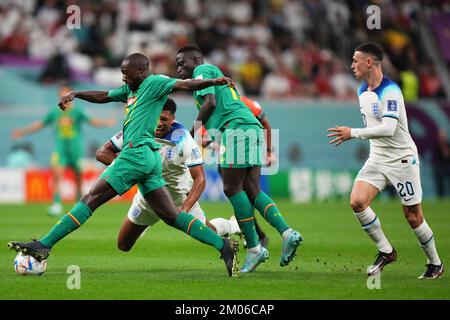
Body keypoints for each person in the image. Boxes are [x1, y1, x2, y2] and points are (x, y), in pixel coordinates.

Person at [8, 53, 239, 277]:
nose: (123, 77)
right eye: (121, 73)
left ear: (141, 70)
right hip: (148, 158)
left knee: (89, 200)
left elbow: (185, 84)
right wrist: (76, 94)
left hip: (136, 153)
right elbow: (105, 96)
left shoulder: (155, 83)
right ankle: (223, 246)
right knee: (171, 216)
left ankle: (44, 244)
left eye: (126, 73)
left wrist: (214, 80)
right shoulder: (131, 90)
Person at [175, 44, 302, 273]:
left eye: (181, 63)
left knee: (232, 188)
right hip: (248, 127)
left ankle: (254, 248)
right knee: (252, 191)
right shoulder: (212, 76)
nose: (178, 68)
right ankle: (287, 233)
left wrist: (191, 133)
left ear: (195, 59)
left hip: (235, 129)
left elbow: (210, 103)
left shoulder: (202, 72)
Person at [327, 43, 444, 279]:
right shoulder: (362, 90)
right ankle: (386, 251)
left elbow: (389, 128)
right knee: (357, 201)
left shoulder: (391, 91)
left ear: (368, 63)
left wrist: (353, 133)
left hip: (402, 160)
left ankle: (435, 264)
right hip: (378, 158)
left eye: (355, 60)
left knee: (413, 216)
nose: (351, 65)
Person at [95, 97, 241, 251]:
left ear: (173, 119)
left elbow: (200, 179)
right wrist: (129, 168)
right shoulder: (138, 128)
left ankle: (233, 225)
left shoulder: (183, 138)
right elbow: (102, 153)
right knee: (123, 245)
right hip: (148, 198)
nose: (159, 123)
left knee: (210, 232)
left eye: (164, 119)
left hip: (178, 199)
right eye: (156, 117)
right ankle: (146, 222)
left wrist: (184, 212)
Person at [11, 85, 116, 216]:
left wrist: (106, 123)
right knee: (57, 175)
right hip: (61, 149)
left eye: (67, 94)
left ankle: (77, 202)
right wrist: (22, 131)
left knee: (78, 177)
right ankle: (56, 204)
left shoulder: (77, 112)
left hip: (76, 150)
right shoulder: (55, 112)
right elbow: (40, 124)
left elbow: (92, 121)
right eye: (62, 94)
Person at [201, 96, 274, 248]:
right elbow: (203, 138)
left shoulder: (245, 103)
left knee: (248, 195)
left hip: (249, 152)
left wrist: (268, 150)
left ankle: (256, 236)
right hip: (228, 157)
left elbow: (265, 123)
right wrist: (214, 143)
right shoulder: (211, 106)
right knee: (241, 197)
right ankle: (258, 235)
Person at [432, 128, 450, 198]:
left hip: (448, 166)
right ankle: (440, 196)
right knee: (438, 172)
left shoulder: (448, 144)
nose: (442, 137)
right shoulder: (436, 145)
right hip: (440, 166)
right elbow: (435, 158)